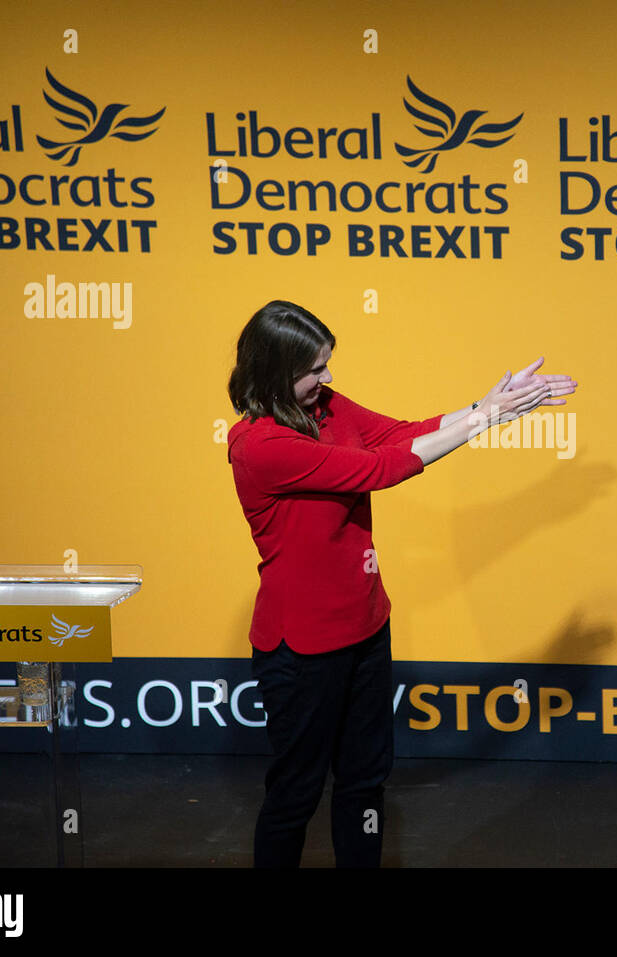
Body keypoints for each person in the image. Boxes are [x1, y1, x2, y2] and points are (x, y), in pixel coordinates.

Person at [226, 299, 577, 867]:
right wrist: (484, 421)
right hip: (302, 650)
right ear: (273, 372)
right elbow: (382, 468)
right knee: (295, 794)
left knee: (364, 783)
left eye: (327, 365)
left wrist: (484, 405)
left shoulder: (327, 407)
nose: (328, 378)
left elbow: (400, 433)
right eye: (314, 370)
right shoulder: (260, 446)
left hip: (365, 628)